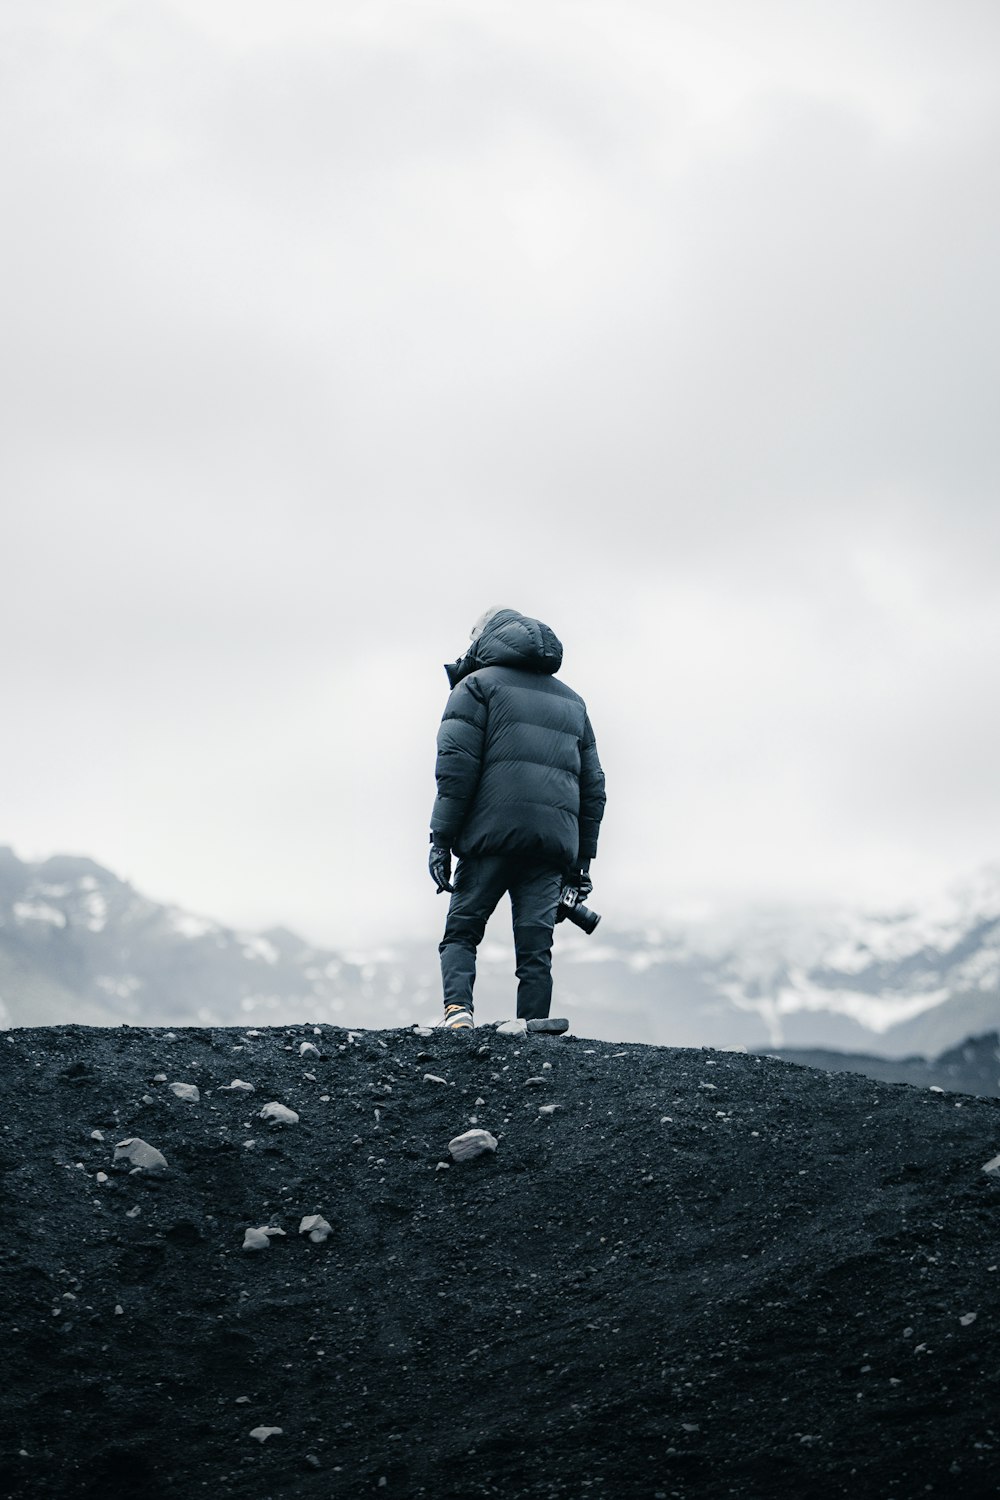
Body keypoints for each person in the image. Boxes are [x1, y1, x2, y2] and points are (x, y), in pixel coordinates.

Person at [428, 607, 606, 1030]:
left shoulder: (475, 687)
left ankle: (458, 1014)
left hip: (489, 836)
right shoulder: (573, 702)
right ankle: (532, 1027)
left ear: (484, 639)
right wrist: (581, 863)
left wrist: (441, 839)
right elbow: (593, 788)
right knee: (535, 947)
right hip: (551, 846)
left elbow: (455, 770)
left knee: (462, 932)